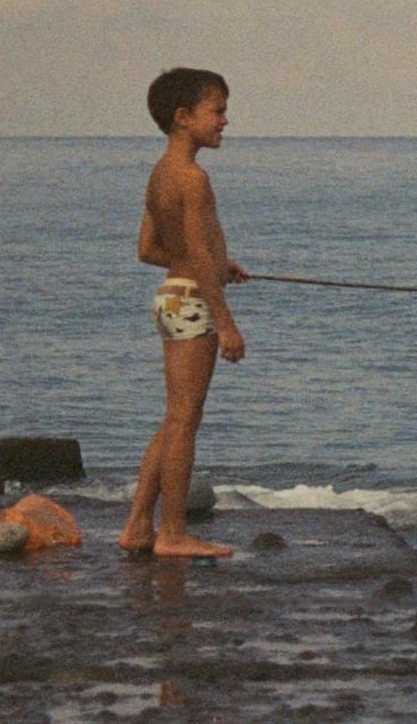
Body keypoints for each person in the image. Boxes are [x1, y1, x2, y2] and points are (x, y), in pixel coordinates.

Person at [117, 67, 249, 558]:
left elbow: (149, 248)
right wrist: (229, 325)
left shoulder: (160, 173)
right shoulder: (193, 178)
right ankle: (172, 534)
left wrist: (218, 265)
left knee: (174, 419)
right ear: (182, 117)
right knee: (186, 422)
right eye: (217, 111)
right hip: (193, 304)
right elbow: (193, 251)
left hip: (171, 297)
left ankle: (137, 526)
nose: (225, 121)